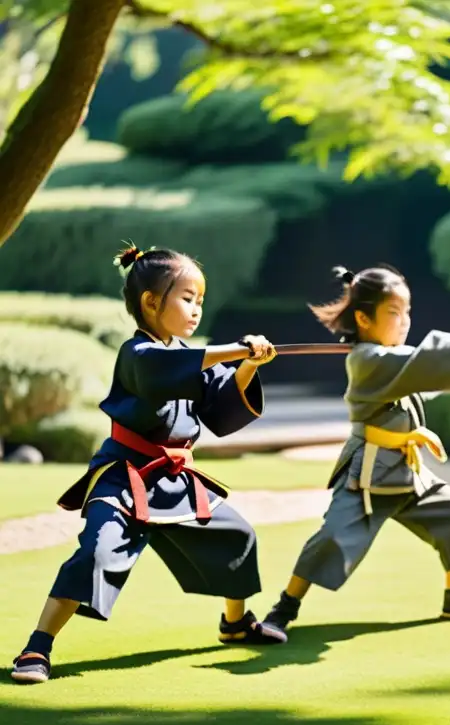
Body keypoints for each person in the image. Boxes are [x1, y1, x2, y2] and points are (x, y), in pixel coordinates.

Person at [11, 245, 286, 685]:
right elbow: (166, 370)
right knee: (97, 552)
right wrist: (235, 350)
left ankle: (235, 623)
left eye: (200, 300)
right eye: (187, 298)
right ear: (151, 302)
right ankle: (36, 647)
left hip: (176, 478)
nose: (196, 309)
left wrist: (248, 367)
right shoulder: (138, 353)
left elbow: (218, 407)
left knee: (236, 536)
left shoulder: (189, 352)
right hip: (123, 476)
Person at [262, 264, 450, 634]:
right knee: (330, 538)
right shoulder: (365, 359)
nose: (404, 320)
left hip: (407, 472)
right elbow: (419, 362)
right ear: (363, 317)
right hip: (368, 476)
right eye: (394, 312)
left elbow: (422, 368)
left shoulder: (396, 357)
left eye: (407, 311)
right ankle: (283, 609)